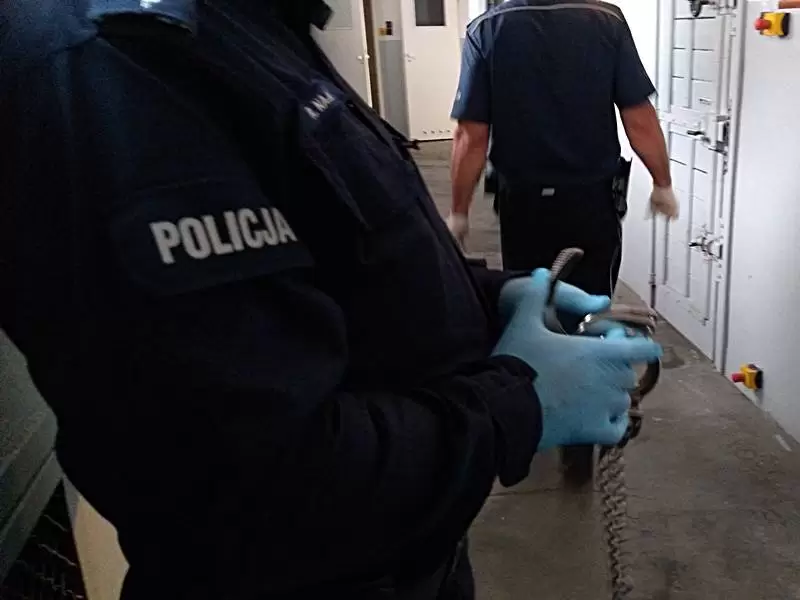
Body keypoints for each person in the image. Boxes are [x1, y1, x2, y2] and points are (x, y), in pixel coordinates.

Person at [0, 0, 662, 598]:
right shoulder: (116, 62)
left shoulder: (251, 27)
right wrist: (519, 401)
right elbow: (260, 488)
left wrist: (492, 297)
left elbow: (340, 254)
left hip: (415, 555)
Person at [446, 0, 678, 487]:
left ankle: (534, 419)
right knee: (591, 309)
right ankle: (583, 442)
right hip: (590, 203)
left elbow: (471, 134)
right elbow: (638, 116)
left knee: (532, 307)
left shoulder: (487, 29)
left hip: (524, 203)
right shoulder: (606, 21)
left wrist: (459, 211)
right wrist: (662, 182)